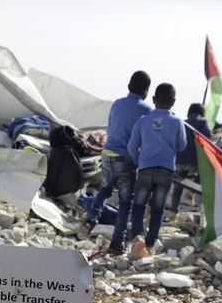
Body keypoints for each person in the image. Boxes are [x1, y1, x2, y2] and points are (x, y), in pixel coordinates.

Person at [84, 71, 152, 240]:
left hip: (106, 154)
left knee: (105, 188)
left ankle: (90, 218)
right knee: (125, 201)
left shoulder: (117, 104)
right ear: (146, 90)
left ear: (129, 85)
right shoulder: (147, 110)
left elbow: (111, 127)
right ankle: (118, 242)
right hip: (125, 158)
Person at [122, 83, 187, 260]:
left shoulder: (143, 121)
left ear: (153, 100)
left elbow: (131, 146)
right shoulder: (177, 122)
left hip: (145, 168)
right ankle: (149, 245)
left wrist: (139, 161)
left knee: (138, 206)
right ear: (173, 102)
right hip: (166, 170)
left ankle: (138, 236)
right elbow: (181, 145)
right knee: (158, 209)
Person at [168, 103, 212, 215]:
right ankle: (191, 192)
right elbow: (208, 138)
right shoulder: (203, 122)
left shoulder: (183, 122)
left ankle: (174, 211)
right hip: (195, 160)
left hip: (179, 160)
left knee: (178, 186)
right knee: (206, 172)